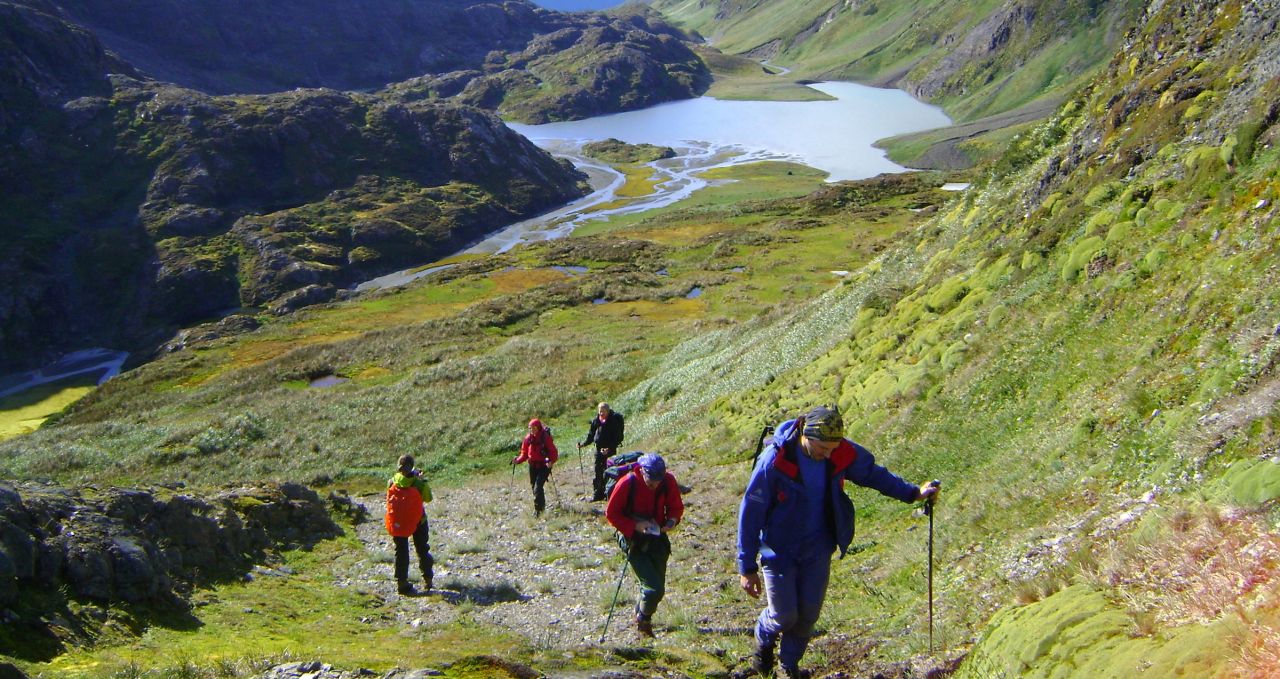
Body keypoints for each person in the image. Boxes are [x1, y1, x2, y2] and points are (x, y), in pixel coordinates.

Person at [736, 406, 939, 678]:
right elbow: (751, 512)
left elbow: (873, 474)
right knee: (785, 615)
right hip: (777, 550)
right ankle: (764, 638)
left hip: (818, 547)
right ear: (805, 436)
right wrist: (746, 566)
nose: (828, 455)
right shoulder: (774, 460)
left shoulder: (838, 451)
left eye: (832, 449)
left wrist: (913, 493)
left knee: (807, 615)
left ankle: (789, 667)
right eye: (822, 449)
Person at [605, 452, 684, 638]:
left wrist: (671, 522)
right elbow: (612, 513)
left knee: (657, 586)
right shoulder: (627, 483)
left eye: (658, 481)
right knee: (653, 588)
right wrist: (636, 527)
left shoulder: (668, 481)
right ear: (642, 472)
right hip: (632, 539)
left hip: (658, 538)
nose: (655, 486)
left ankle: (641, 611)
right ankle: (643, 622)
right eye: (651, 483)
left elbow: (676, 507)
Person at [386, 454, 435, 596]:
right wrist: (422, 480)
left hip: (398, 522)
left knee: (401, 551)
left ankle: (402, 583)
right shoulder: (418, 483)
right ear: (412, 467)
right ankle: (428, 579)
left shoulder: (392, 482)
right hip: (418, 520)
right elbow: (428, 498)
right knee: (422, 549)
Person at [512, 418, 559, 516]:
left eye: (534, 428)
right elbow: (524, 453)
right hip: (532, 465)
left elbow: (553, 452)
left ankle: (539, 511)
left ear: (538, 428)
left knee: (538, 487)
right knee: (534, 487)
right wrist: (518, 460)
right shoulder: (528, 439)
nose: (532, 430)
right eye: (530, 428)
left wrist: (551, 461)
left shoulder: (545, 438)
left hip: (544, 466)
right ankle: (539, 508)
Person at [581, 402, 625, 501]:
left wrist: (609, 448)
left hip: (610, 450)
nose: (601, 413)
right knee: (598, 471)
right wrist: (584, 444)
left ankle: (609, 493)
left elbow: (618, 438)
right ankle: (598, 494)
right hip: (598, 449)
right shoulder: (596, 421)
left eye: (603, 411)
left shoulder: (613, 421)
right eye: (600, 411)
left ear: (608, 411)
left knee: (609, 471)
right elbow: (591, 435)